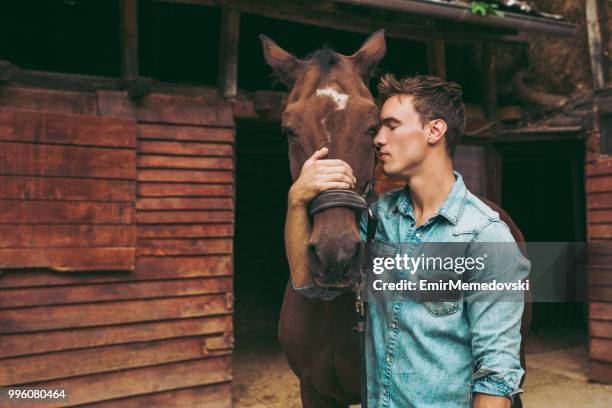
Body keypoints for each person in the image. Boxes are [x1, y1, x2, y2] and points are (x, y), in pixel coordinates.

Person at [285, 74, 530, 408]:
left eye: (391, 126)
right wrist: (298, 198)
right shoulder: (376, 222)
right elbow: (306, 281)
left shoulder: (486, 236)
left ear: (434, 130)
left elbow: (496, 375)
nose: (377, 139)